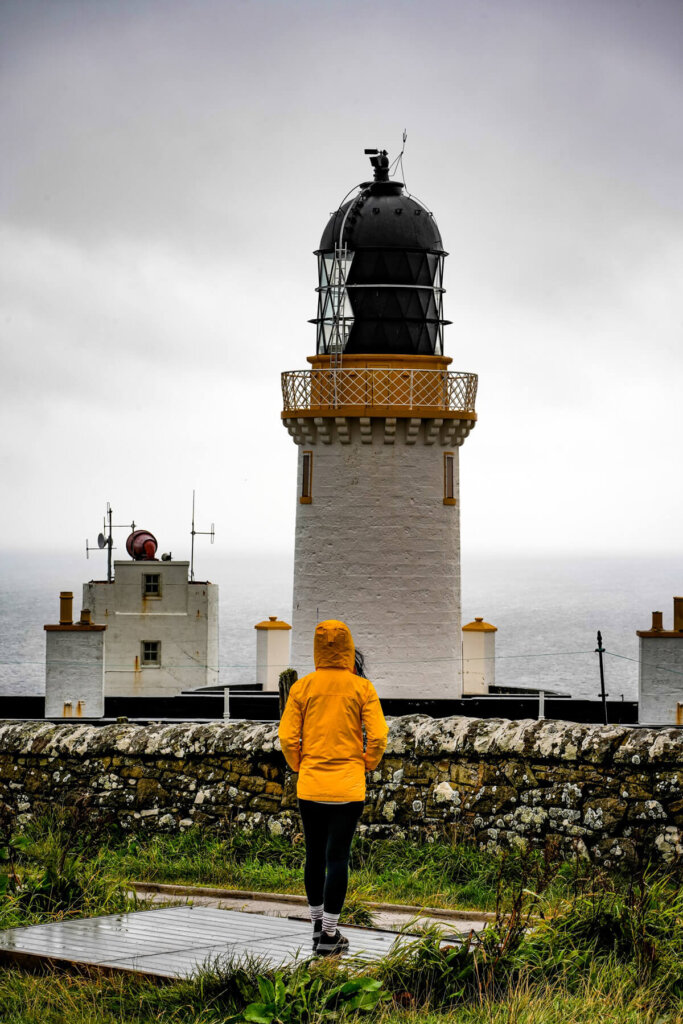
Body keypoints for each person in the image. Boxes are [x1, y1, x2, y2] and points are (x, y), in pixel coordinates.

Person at [278, 620, 388, 956]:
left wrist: (298, 764)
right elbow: (379, 735)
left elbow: (286, 736)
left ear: (317, 649)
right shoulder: (362, 688)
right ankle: (329, 934)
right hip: (348, 788)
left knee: (313, 855)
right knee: (337, 856)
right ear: (348, 648)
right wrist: (367, 762)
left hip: (311, 785)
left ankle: (315, 925)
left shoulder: (302, 688)